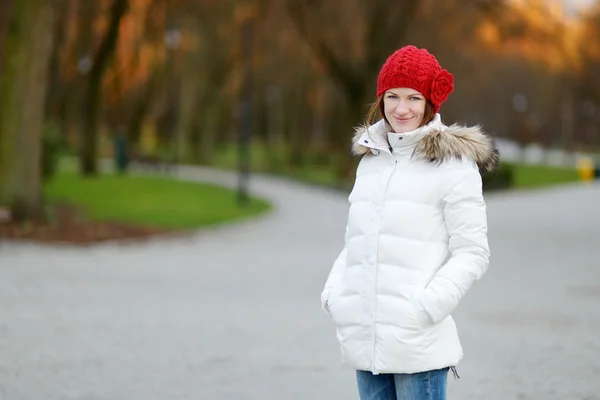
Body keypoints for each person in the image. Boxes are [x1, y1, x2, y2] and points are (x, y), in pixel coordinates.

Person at [320, 45, 499, 400]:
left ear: (431, 102)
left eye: (414, 98)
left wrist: (427, 307)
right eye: (393, 96)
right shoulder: (371, 160)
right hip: (365, 339)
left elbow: (473, 251)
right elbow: (355, 240)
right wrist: (335, 294)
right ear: (381, 98)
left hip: (417, 342)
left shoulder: (454, 165)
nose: (401, 109)